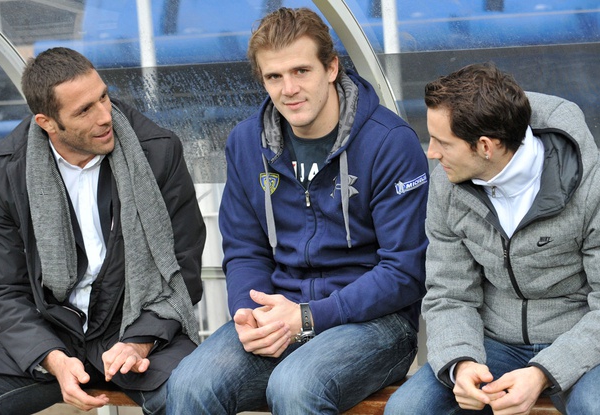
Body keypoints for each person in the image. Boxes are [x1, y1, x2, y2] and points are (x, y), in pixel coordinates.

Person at [166, 7, 428, 414]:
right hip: (279, 308)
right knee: (189, 384)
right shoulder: (246, 143)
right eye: (274, 76)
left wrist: (308, 318)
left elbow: (405, 271)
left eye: (301, 71)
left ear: (331, 68)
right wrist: (248, 314)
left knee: (295, 386)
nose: (289, 88)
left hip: (376, 320)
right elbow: (244, 248)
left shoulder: (390, 142)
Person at [0, 47, 206, 415]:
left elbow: (184, 268)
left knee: (194, 394)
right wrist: (51, 358)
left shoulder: (157, 151)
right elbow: (3, 290)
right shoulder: (6, 172)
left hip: (142, 325)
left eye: (103, 97)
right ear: (47, 122)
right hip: (53, 334)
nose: (106, 116)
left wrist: (139, 342)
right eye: (84, 110)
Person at [385, 62, 600, 415]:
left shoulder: (597, 184)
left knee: (598, 406)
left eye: (442, 142)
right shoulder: (446, 185)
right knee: (407, 409)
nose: (431, 152)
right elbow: (449, 294)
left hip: (581, 340)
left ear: (486, 146)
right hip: (493, 342)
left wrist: (543, 372)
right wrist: (461, 362)